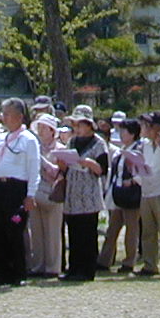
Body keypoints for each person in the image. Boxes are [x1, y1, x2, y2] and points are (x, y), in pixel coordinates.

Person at [0, 97, 39, 287]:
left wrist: (30, 194)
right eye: (3, 114)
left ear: (19, 116)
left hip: (17, 188)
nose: (4, 118)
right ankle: (2, 273)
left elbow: (34, 168)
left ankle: (19, 273)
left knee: (14, 231)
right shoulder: (1, 138)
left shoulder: (28, 139)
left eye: (8, 114)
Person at [59, 108, 109, 281]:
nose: (77, 128)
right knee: (74, 233)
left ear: (89, 125)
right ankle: (73, 268)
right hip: (73, 194)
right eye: (75, 124)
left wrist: (88, 163)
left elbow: (102, 169)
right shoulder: (72, 142)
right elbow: (65, 168)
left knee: (87, 234)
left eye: (79, 124)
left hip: (89, 195)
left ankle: (87, 270)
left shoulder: (99, 143)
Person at [100, 118, 144, 273]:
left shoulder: (139, 149)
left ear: (132, 133)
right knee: (112, 229)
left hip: (132, 195)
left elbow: (144, 172)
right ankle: (104, 260)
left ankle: (129, 262)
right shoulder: (121, 150)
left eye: (124, 131)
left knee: (131, 231)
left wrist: (132, 181)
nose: (121, 134)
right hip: (118, 194)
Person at [27, 114, 65, 277]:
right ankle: (38, 265)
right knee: (36, 231)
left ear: (52, 131)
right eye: (39, 128)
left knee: (53, 233)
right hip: (36, 192)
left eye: (44, 128)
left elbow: (56, 172)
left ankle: (52, 267)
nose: (41, 131)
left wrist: (42, 161)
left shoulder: (61, 149)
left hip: (53, 193)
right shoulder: (35, 147)